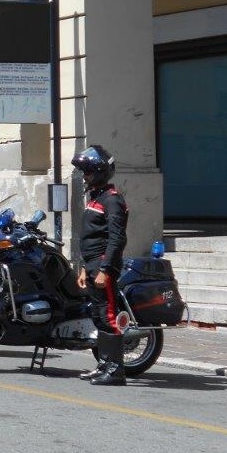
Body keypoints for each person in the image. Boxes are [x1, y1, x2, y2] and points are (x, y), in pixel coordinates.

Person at [72, 144, 129, 386]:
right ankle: (104, 364)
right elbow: (90, 236)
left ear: (99, 172)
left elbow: (117, 238)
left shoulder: (112, 200)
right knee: (97, 316)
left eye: (88, 172)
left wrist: (105, 269)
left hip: (104, 266)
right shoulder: (96, 198)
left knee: (108, 316)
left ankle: (116, 371)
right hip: (92, 264)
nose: (85, 176)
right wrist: (84, 267)